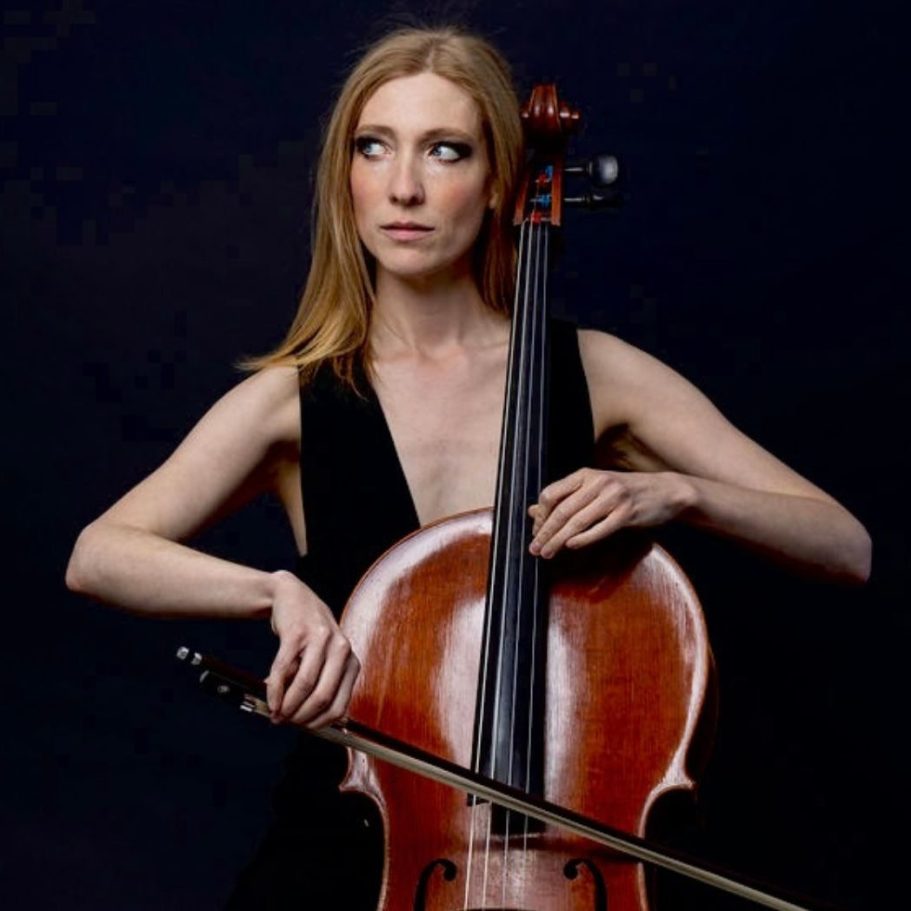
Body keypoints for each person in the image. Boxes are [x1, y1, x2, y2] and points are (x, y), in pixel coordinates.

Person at [66, 25, 871, 909]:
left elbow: (844, 545)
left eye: (444, 150)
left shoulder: (597, 374)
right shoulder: (293, 400)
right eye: (374, 147)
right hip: (346, 858)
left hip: (567, 863)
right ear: (345, 176)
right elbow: (99, 553)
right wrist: (272, 592)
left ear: (498, 184)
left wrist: (676, 492)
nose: (403, 187)